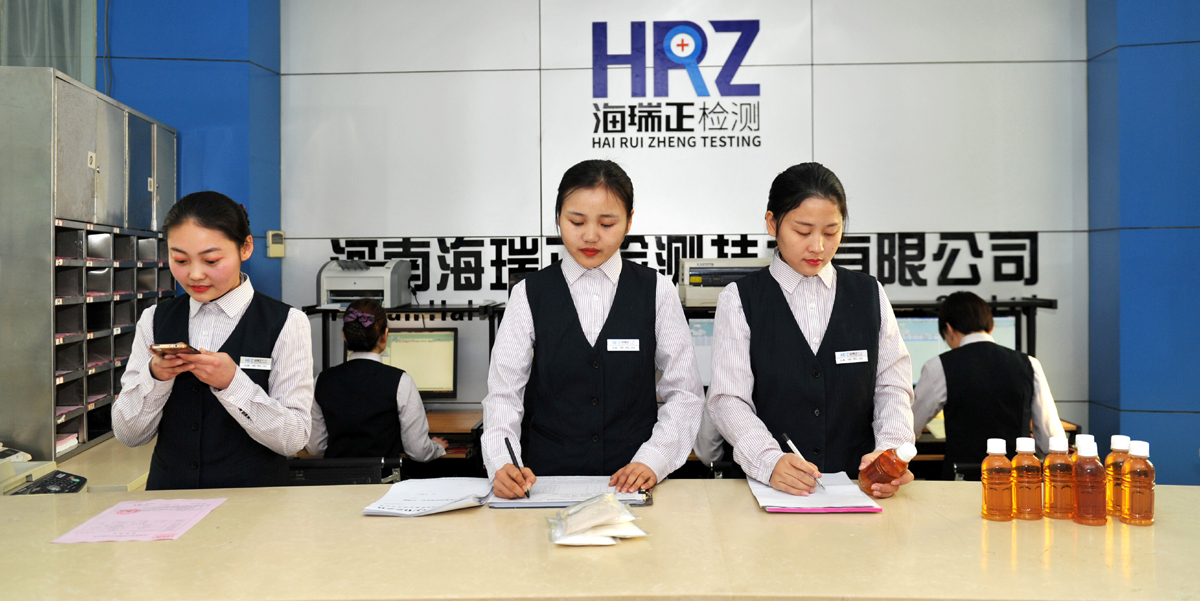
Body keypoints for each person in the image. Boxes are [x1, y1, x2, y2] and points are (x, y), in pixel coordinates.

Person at [482, 159, 704, 499]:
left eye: (607, 223)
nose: (590, 235)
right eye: (576, 221)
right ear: (558, 218)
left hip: (634, 481)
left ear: (629, 221)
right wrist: (502, 462)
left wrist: (654, 459)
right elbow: (504, 394)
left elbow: (685, 393)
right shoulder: (529, 294)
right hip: (546, 483)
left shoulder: (657, 291)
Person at [708, 162, 917, 498]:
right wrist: (769, 460)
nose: (818, 246)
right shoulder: (740, 299)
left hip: (858, 488)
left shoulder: (869, 294)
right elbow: (728, 399)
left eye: (831, 232)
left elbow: (892, 385)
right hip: (771, 492)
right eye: (803, 232)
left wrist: (890, 450)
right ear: (772, 223)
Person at [112, 191, 314, 490]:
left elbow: (295, 438)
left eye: (211, 260)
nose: (195, 274)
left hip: (255, 502)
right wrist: (155, 377)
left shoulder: (287, 322)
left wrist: (233, 383)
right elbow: (128, 435)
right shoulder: (154, 319)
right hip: (169, 498)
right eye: (180, 260)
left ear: (245, 248)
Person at [912, 291, 1066, 476]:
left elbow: (908, 426)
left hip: (961, 479)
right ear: (991, 327)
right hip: (1016, 480)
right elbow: (1051, 440)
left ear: (949, 329)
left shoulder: (938, 366)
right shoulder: (1030, 364)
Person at [306, 297, 449, 461]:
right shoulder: (401, 381)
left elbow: (315, 447)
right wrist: (437, 447)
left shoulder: (321, 381)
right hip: (383, 477)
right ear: (384, 336)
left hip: (336, 477)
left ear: (344, 336)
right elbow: (419, 452)